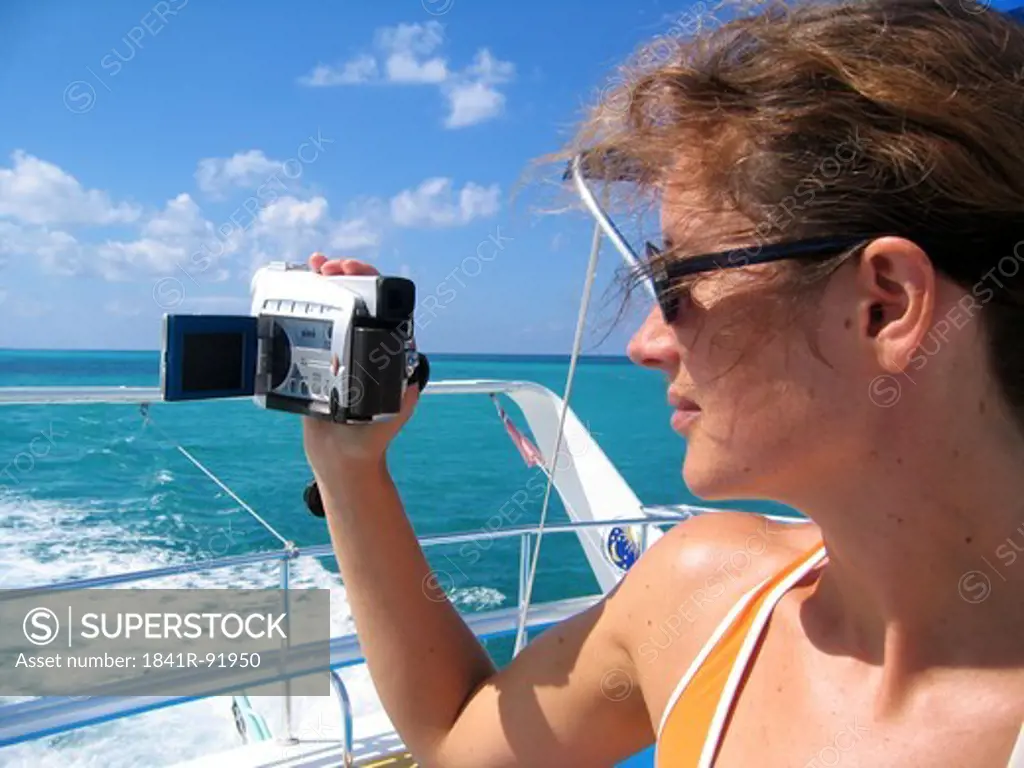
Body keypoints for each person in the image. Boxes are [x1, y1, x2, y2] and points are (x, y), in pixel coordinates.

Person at [301, 0, 1024, 764]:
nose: (645, 345)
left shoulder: (707, 608)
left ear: (884, 306)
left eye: (676, 285)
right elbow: (456, 737)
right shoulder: (701, 596)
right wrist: (350, 468)